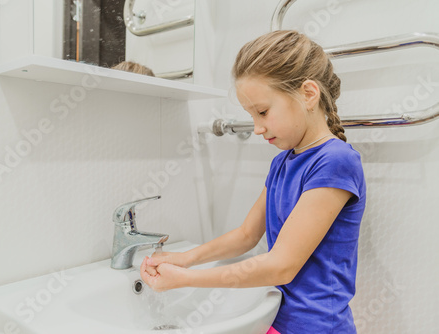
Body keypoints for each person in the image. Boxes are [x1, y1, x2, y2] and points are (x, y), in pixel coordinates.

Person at [140, 30, 366, 334]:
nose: (258, 128)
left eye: (262, 112)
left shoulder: (335, 161)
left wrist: (185, 280)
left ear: (309, 94)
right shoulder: (282, 162)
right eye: (251, 114)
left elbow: (282, 265)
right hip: (277, 318)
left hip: (318, 326)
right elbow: (247, 234)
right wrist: (186, 259)